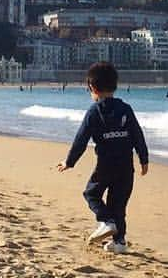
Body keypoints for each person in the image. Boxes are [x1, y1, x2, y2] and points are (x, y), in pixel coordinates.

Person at [57, 61, 148, 254]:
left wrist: (69, 162)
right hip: (126, 167)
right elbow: (137, 134)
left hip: (105, 166)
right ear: (114, 85)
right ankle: (120, 242)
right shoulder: (125, 109)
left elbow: (81, 139)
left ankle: (107, 222)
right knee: (118, 204)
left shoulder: (94, 112)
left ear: (92, 87)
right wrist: (143, 158)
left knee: (91, 194)